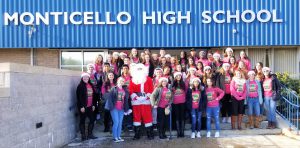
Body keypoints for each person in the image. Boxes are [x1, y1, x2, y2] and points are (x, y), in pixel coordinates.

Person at [128, 63, 155, 140]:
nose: (139, 71)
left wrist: (146, 97)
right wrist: (136, 97)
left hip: (146, 101)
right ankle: (137, 134)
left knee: (148, 117)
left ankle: (150, 134)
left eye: (141, 69)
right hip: (136, 102)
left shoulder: (149, 79)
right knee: (136, 117)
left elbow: (151, 89)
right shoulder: (132, 80)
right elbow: (131, 90)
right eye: (138, 69)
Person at [106, 77, 132, 142]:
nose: (122, 82)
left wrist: (126, 108)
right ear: (117, 81)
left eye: (123, 81)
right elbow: (109, 99)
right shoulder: (113, 89)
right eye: (120, 81)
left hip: (121, 108)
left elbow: (126, 100)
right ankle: (115, 137)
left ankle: (119, 136)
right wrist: (111, 107)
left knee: (120, 123)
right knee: (116, 122)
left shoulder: (125, 90)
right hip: (114, 108)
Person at [76, 73, 98, 141]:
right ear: (82, 78)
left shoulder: (91, 85)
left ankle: (90, 134)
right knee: (82, 121)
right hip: (83, 107)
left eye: (87, 78)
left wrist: (94, 105)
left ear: (89, 78)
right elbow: (79, 97)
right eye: (84, 78)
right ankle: (83, 135)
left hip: (90, 106)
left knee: (92, 120)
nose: (86, 79)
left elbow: (94, 96)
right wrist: (81, 106)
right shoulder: (80, 86)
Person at [172, 72, 186, 138]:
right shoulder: (173, 84)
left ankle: (182, 132)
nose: (178, 77)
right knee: (177, 117)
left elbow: (186, 92)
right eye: (177, 76)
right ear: (175, 77)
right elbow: (171, 93)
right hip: (175, 102)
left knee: (182, 117)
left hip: (182, 102)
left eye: (179, 76)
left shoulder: (183, 84)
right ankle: (178, 132)